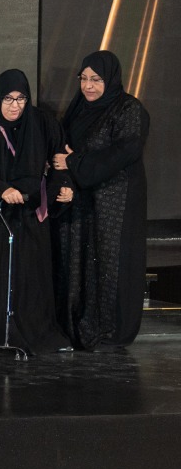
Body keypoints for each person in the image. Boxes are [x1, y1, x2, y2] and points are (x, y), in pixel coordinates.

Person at [0, 69, 69, 355]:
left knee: (30, 277)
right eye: (8, 99)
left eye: (21, 99)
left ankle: (36, 332)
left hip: (31, 214)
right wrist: (1, 190)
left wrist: (60, 189)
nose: (14, 106)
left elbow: (60, 159)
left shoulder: (41, 122)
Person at [52, 50, 150, 351]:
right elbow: (62, 152)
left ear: (110, 79)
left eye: (96, 79)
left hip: (115, 204)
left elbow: (124, 152)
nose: (88, 86)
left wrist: (75, 163)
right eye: (83, 79)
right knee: (77, 263)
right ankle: (78, 328)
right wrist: (68, 178)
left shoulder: (129, 109)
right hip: (82, 202)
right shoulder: (78, 109)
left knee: (109, 262)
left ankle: (109, 332)